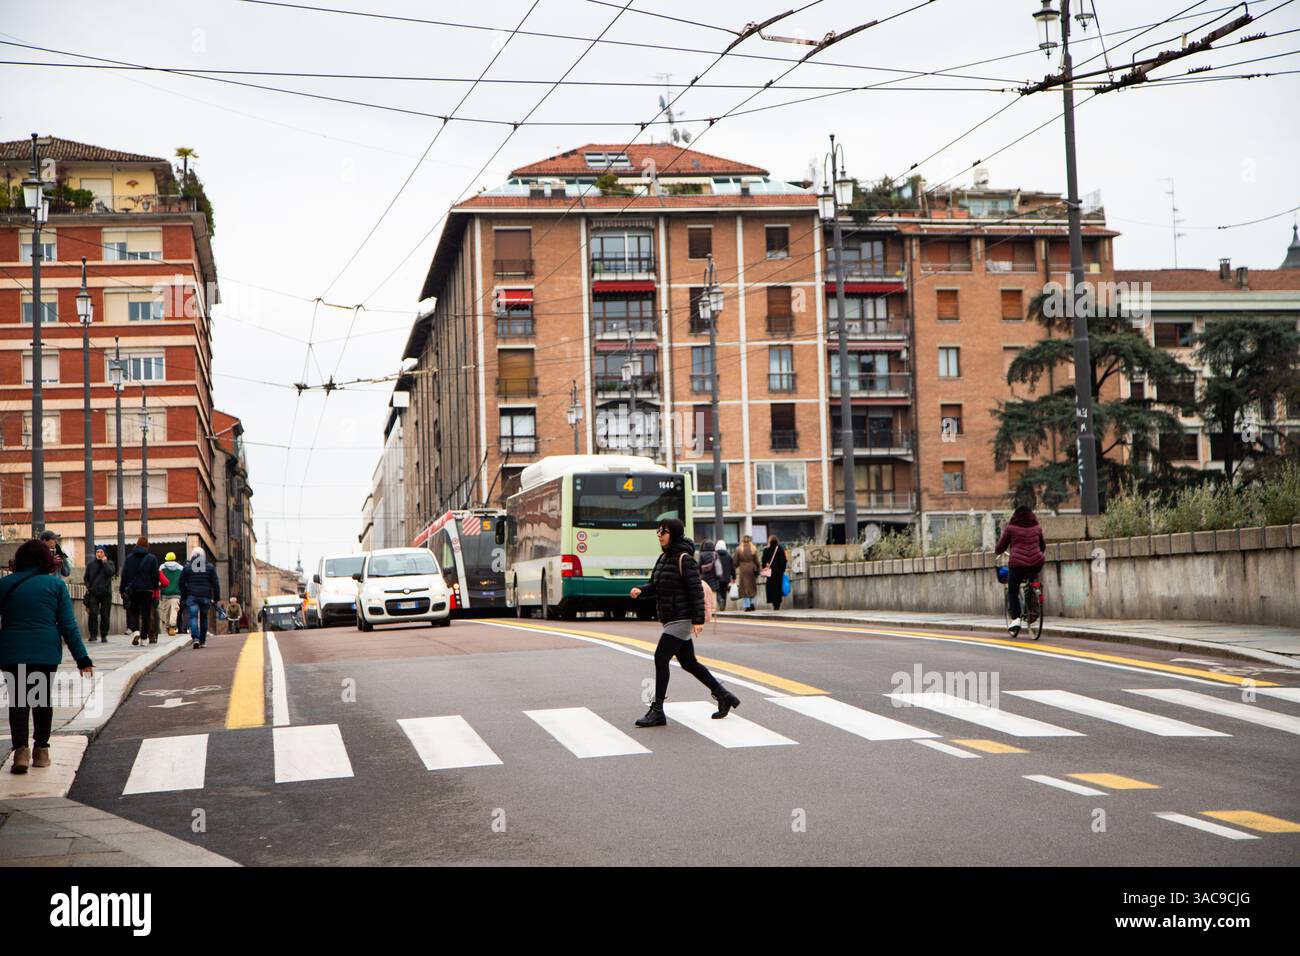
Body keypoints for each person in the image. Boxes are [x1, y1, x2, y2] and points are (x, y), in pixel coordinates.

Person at [628, 518, 740, 728]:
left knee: (661, 657)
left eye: (664, 531)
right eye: (658, 531)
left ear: (675, 534)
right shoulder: (663, 558)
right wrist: (641, 590)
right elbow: (655, 584)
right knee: (688, 662)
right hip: (671, 617)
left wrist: (698, 620)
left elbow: (695, 590)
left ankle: (658, 710)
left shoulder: (684, 559)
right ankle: (724, 696)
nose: (660, 535)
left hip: (681, 618)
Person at [0, 540, 94, 774]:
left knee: (19, 700)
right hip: (45, 652)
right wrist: (82, 659)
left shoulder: (4, 584)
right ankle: (41, 750)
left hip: (12, 651)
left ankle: (20, 751)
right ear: (45, 560)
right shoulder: (55, 586)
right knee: (41, 700)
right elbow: (68, 626)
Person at [995, 505, 1046, 636]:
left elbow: (1000, 548)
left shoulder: (1011, 528)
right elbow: (1042, 546)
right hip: (1036, 563)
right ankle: (1033, 603)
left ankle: (1016, 619)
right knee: (1032, 578)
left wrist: (999, 550)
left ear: (1015, 516)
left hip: (1017, 564)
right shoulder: (1037, 528)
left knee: (1013, 590)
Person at [119, 537, 159, 646]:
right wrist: (155, 588)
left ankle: (136, 631)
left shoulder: (129, 558)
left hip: (133, 590)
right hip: (147, 590)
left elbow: (124, 575)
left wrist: (122, 589)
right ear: (147, 546)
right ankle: (144, 639)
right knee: (146, 615)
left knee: (134, 612)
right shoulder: (152, 558)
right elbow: (155, 576)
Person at [178, 547, 220, 649]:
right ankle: (202, 641)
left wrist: (184, 594)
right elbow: (215, 583)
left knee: (193, 617)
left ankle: (195, 638)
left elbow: (181, 583)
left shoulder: (187, 568)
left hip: (192, 596)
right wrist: (216, 598)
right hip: (205, 596)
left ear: (192, 556)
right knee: (204, 617)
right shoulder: (210, 567)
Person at [82, 547, 116, 644]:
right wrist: (89, 587)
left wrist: (104, 563)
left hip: (106, 594)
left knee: (105, 615)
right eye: (97, 552)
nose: (99, 554)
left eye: (101, 552)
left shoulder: (109, 563)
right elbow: (86, 578)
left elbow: (110, 573)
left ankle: (104, 635)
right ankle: (93, 635)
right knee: (93, 613)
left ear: (105, 553)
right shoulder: (91, 565)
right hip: (93, 593)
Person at [159, 552, 185, 636]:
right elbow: (183, 581)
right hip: (176, 593)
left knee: (166, 611)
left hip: (165, 593)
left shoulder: (162, 567)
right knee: (174, 610)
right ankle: (172, 626)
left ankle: (167, 627)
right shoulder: (181, 568)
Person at [761, 534, 788, 611]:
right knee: (778, 588)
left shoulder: (766, 549)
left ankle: (773, 603)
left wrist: (765, 566)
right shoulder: (780, 549)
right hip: (778, 573)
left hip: (770, 573)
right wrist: (782, 570)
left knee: (771, 588)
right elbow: (784, 561)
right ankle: (777, 604)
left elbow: (763, 561)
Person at [734, 535, 760, 612]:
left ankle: (747, 605)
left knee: (744, 587)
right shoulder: (753, 549)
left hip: (743, 570)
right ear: (750, 541)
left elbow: (735, 561)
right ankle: (752, 603)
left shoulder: (739, 549)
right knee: (752, 587)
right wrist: (758, 568)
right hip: (751, 569)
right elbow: (757, 561)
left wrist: (737, 566)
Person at [714, 540, 734, 611]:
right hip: (726, 578)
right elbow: (732, 568)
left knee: (718, 591)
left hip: (717, 577)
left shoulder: (715, 555)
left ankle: (720, 601)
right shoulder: (729, 556)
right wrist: (734, 577)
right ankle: (723, 607)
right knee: (724, 592)